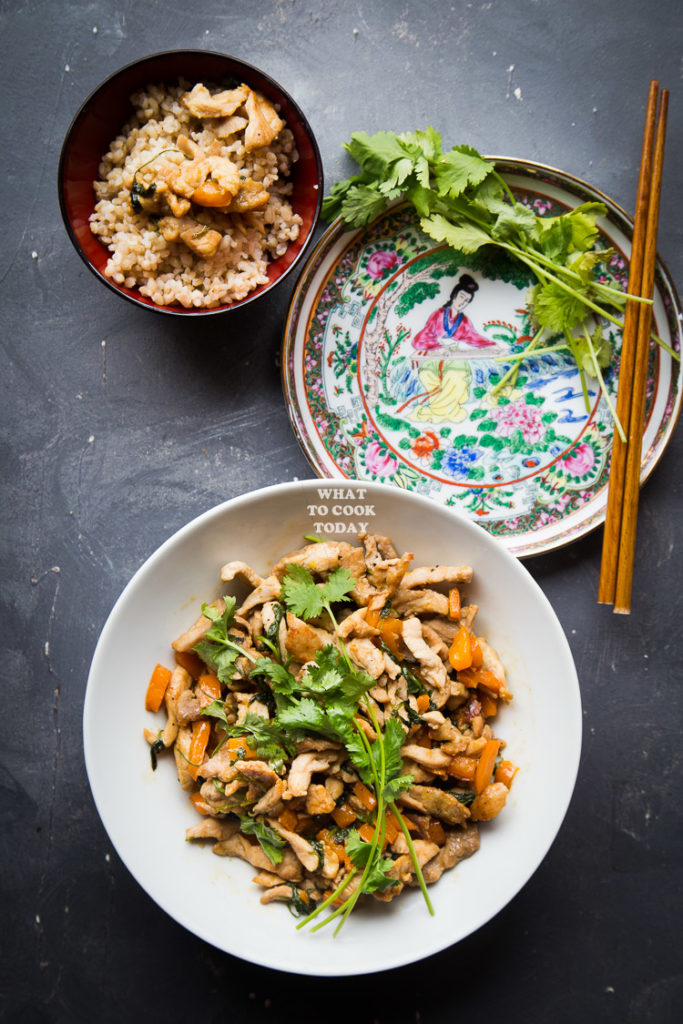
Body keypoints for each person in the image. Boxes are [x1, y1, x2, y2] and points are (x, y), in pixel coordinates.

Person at [397, 275, 495, 423]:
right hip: (434, 354)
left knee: (456, 379)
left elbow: (474, 337)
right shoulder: (438, 315)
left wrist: (492, 345)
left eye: (467, 301)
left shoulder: (464, 321)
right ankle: (447, 412)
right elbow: (422, 337)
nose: (463, 302)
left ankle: (435, 413)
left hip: (454, 356)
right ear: (454, 295)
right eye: (462, 297)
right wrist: (438, 347)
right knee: (427, 376)